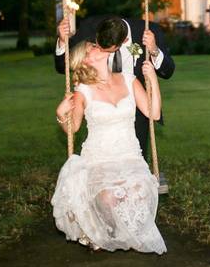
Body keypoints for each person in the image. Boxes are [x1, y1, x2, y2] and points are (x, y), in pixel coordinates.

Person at [51, 41, 166, 254]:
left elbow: (154, 113)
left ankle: (120, 234)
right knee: (108, 197)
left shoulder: (129, 80)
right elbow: (72, 128)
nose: (99, 46)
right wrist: (60, 114)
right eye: (92, 47)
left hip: (130, 156)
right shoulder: (83, 91)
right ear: (86, 59)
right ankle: (106, 233)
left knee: (140, 192)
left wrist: (152, 79)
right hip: (99, 159)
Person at [54, 14, 175, 193]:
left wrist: (154, 50)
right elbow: (63, 64)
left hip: (134, 103)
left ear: (124, 40)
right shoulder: (90, 28)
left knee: (134, 172)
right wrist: (62, 39)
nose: (101, 51)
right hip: (99, 102)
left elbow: (167, 71)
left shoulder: (148, 30)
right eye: (97, 46)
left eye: (107, 50)